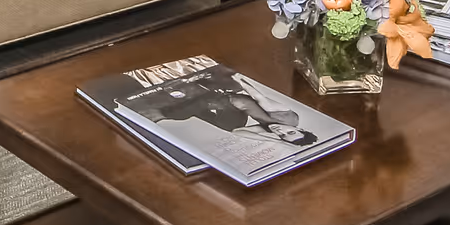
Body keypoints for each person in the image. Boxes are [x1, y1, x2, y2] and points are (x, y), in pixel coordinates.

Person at [128, 69, 318, 148]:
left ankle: (181, 112)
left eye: (284, 136)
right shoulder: (288, 118)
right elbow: (259, 97)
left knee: (226, 128)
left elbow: (238, 131)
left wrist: (278, 141)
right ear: (298, 128)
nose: (281, 132)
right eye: (289, 133)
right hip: (233, 99)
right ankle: (173, 111)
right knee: (195, 110)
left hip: (230, 108)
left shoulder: (270, 132)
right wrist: (236, 78)